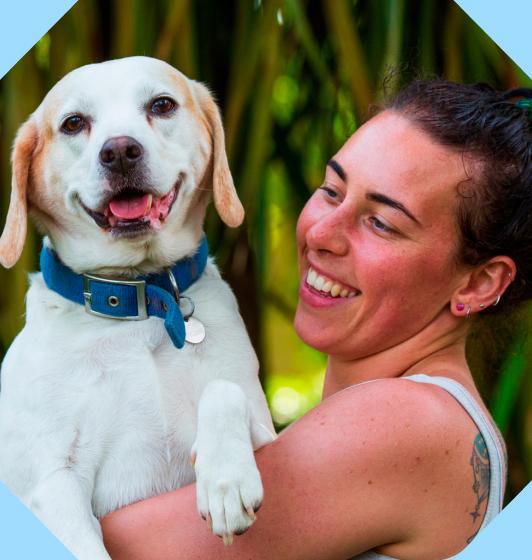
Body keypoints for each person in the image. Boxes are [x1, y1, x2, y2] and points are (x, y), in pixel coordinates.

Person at [101, 79, 532, 560]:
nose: (322, 233)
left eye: (381, 223)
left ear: (479, 284)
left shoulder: (406, 423)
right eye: (332, 190)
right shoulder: (422, 419)